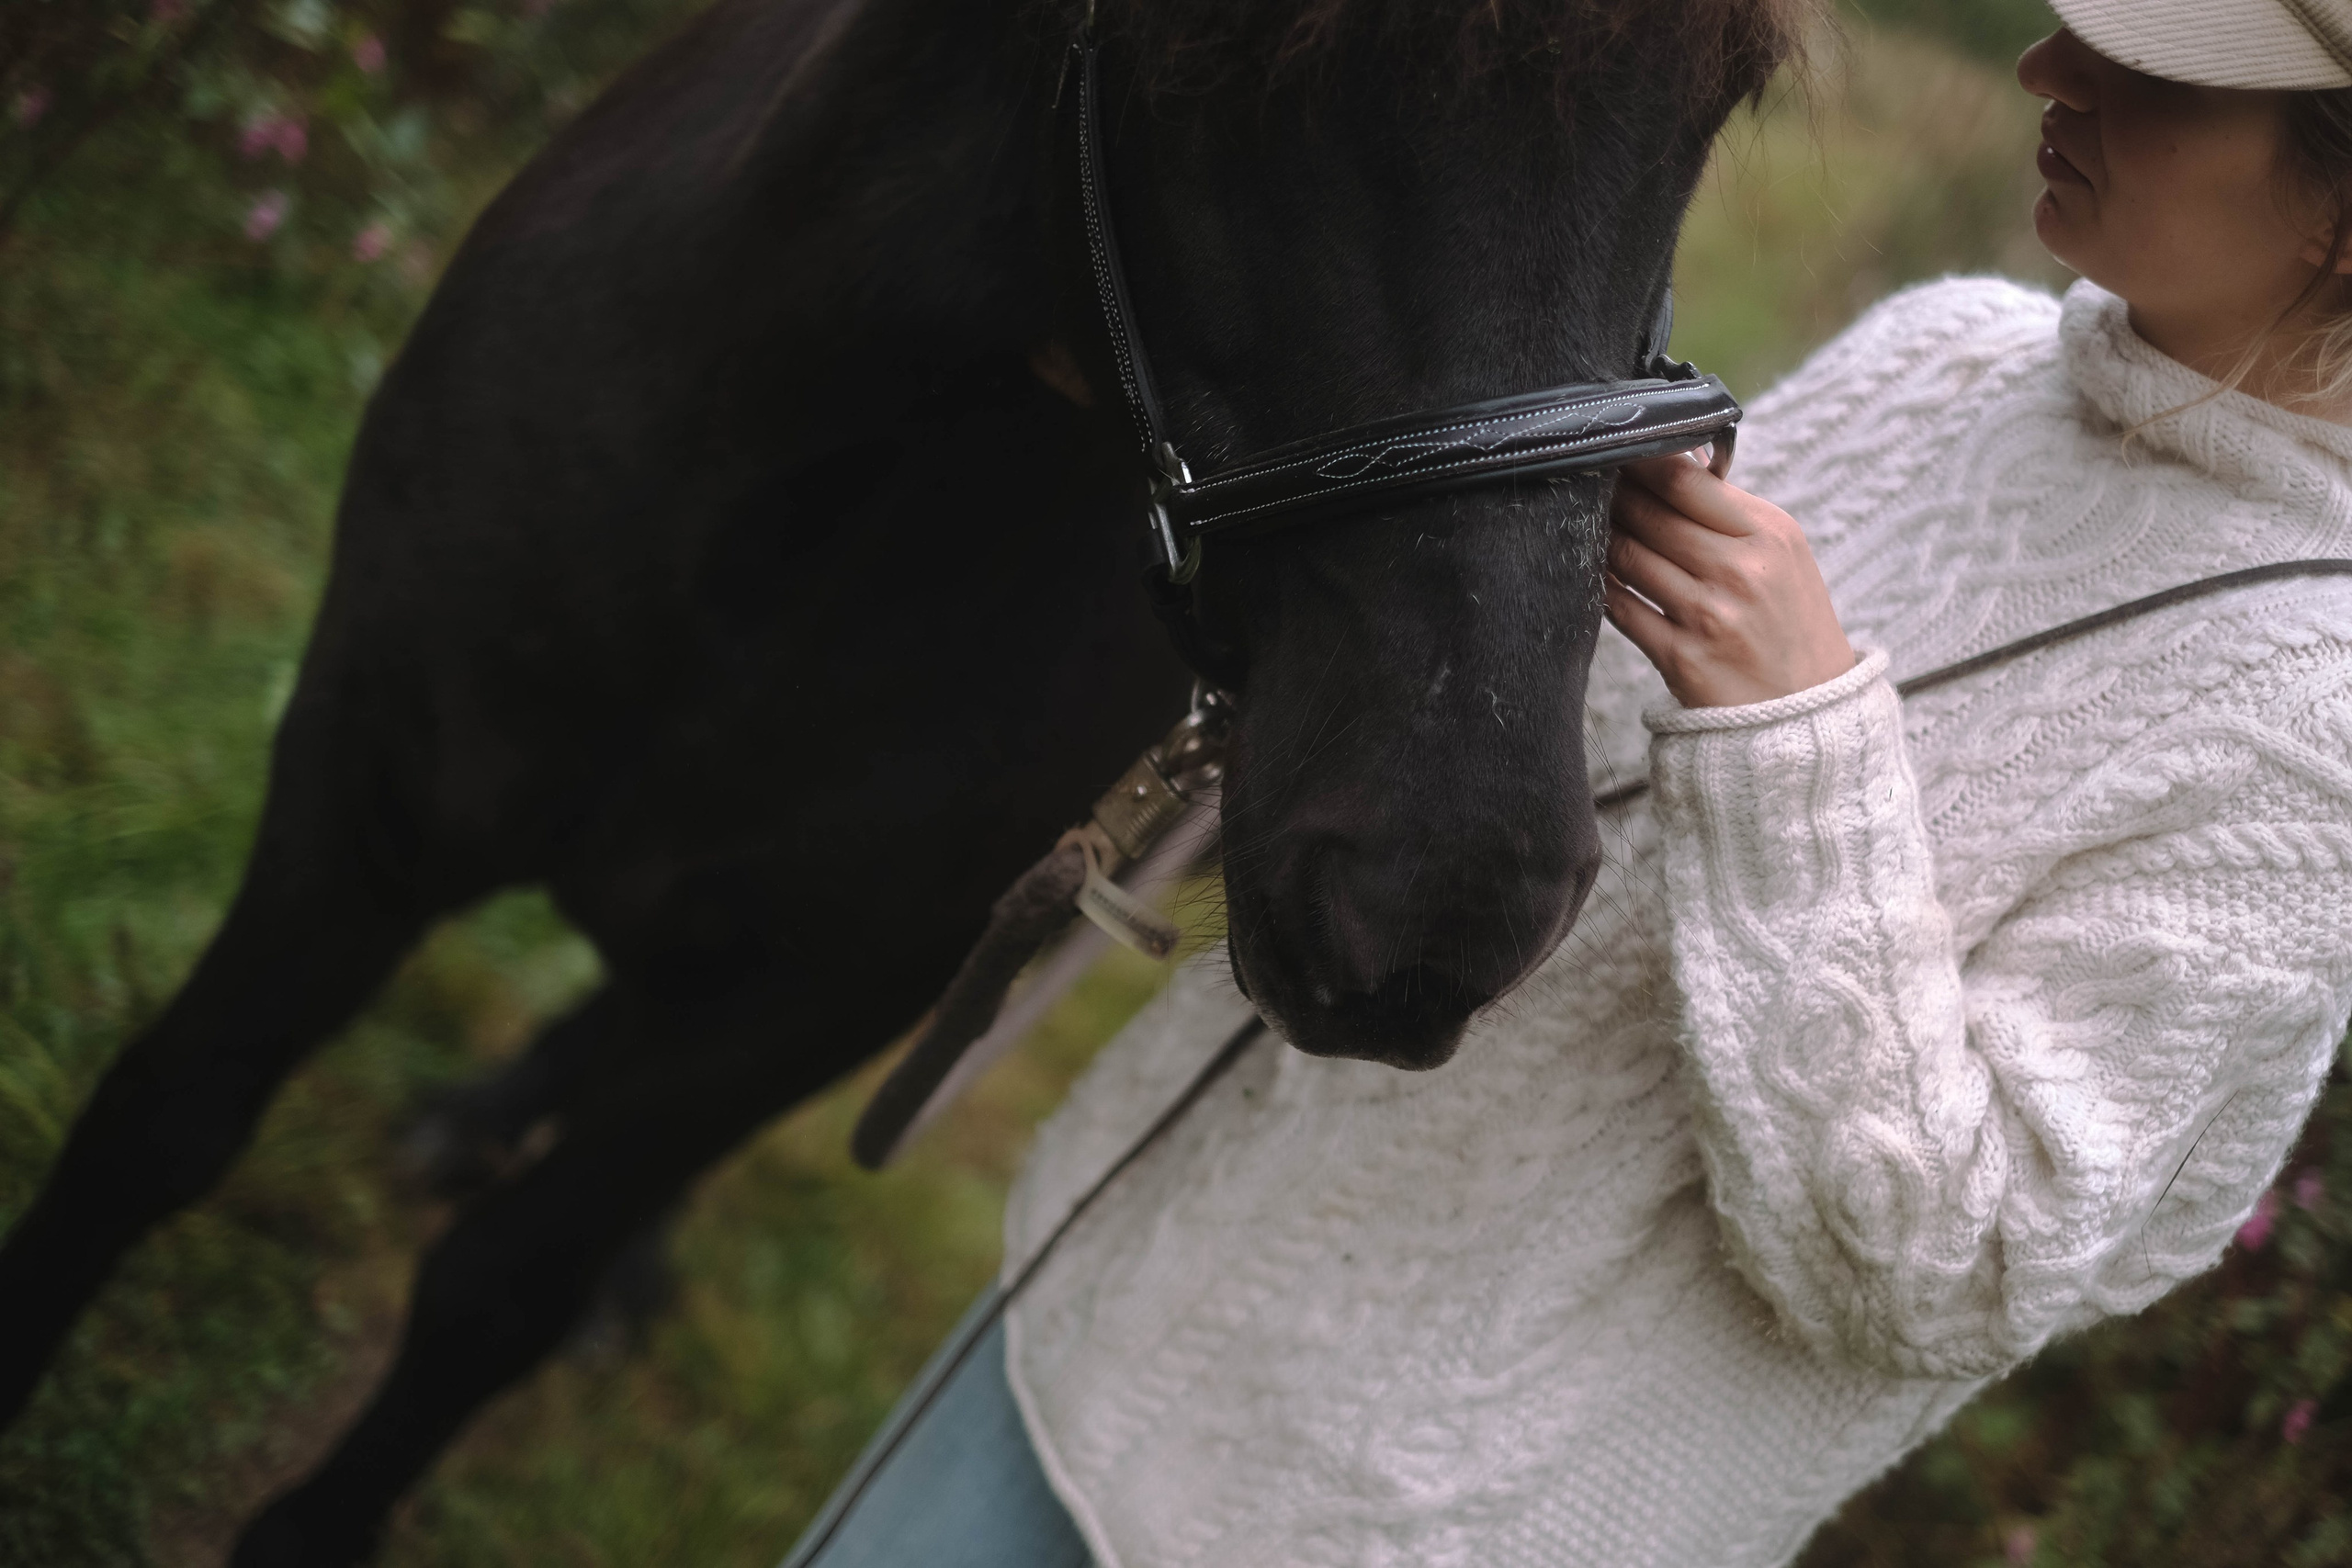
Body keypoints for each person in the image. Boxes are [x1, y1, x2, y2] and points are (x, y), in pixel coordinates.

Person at [786, 4, 2352, 1564]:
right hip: (1100, 1298)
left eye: (2161, 75)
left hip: (1400, 1525)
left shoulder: (2313, 730)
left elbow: (1954, 1271)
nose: (2053, 72)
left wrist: (1795, 740)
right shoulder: (1940, 355)